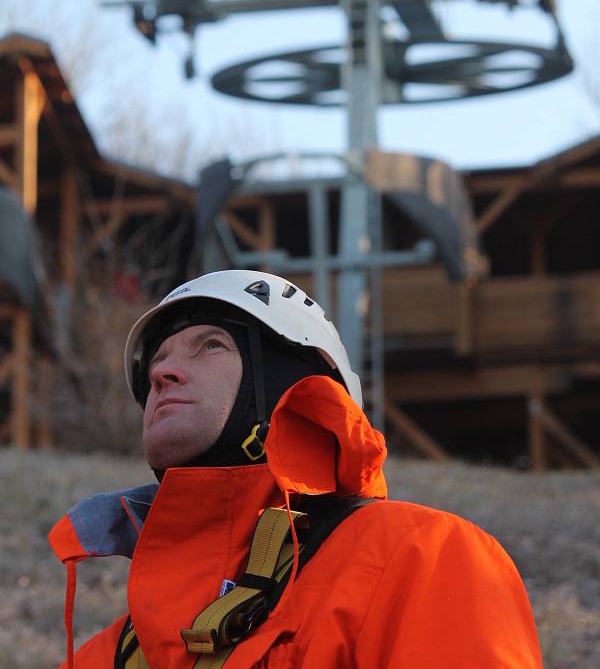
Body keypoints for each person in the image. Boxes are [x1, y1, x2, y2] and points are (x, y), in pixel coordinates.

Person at [49, 269, 543, 668]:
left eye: (212, 346)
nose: (161, 373)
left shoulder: (419, 557)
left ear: (291, 383)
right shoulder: (107, 655)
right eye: (158, 361)